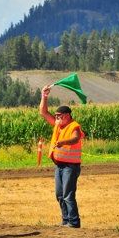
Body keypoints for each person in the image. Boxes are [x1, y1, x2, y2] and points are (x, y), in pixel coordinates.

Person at [40, 85, 85, 228]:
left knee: (68, 195)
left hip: (70, 167)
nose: (56, 118)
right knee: (59, 195)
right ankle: (66, 220)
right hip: (59, 166)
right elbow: (43, 112)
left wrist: (63, 142)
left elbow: (75, 139)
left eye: (58, 116)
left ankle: (74, 221)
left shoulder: (74, 126)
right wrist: (44, 95)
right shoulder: (58, 125)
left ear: (66, 116)